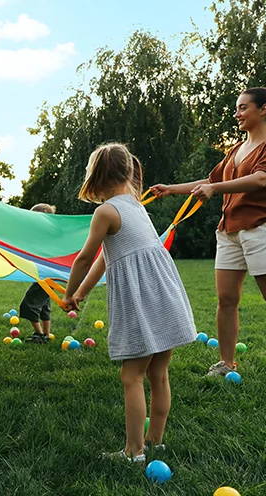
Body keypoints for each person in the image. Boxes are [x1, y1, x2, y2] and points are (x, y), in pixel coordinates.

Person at [151, 87, 266, 387]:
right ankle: (226, 362)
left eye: (243, 107)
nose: (237, 113)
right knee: (226, 300)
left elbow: (260, 179)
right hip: (229, 230)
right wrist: (171, 188)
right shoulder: (235, 150)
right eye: (237, 108)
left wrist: (216, 190)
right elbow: (212, 180)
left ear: (264, 110)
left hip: (262, 227)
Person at [65, 143, 196, 463]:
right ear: (127, 172)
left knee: (131, 377)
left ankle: (133, 452)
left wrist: (68, 292)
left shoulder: (105, 212)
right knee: (159, 374)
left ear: (95, 177)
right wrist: (83, 292)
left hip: (142, 301)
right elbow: (107, 258)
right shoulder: (135, 207)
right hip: (165, 297)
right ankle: (155, 441)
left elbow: (84, 259)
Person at [21, 203, 58, 344]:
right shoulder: (49, 234)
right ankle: (46, 335)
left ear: (42, 214)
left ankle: (40, 335)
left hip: (45, 277)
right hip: (48, 276)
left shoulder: (45, 234)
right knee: (44, 306)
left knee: (28, 304)